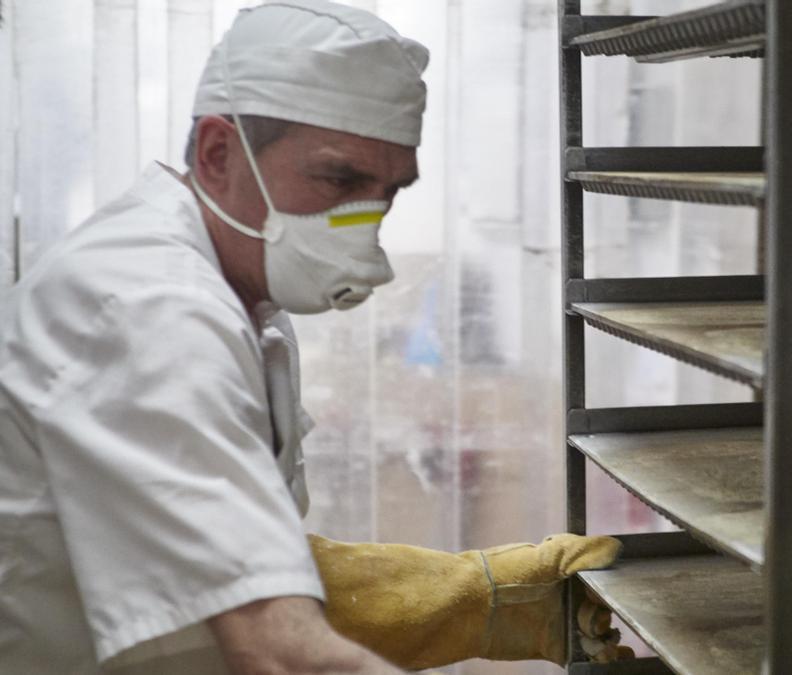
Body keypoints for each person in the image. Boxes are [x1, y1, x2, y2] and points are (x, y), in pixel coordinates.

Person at [0, 2, 623, 673]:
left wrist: (471, 598)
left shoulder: (239, 289)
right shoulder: (151, 311)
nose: (365, 220)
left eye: (387, 191)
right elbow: (278, 649)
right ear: (217, 154)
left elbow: (210, 539)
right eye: (340, 179)